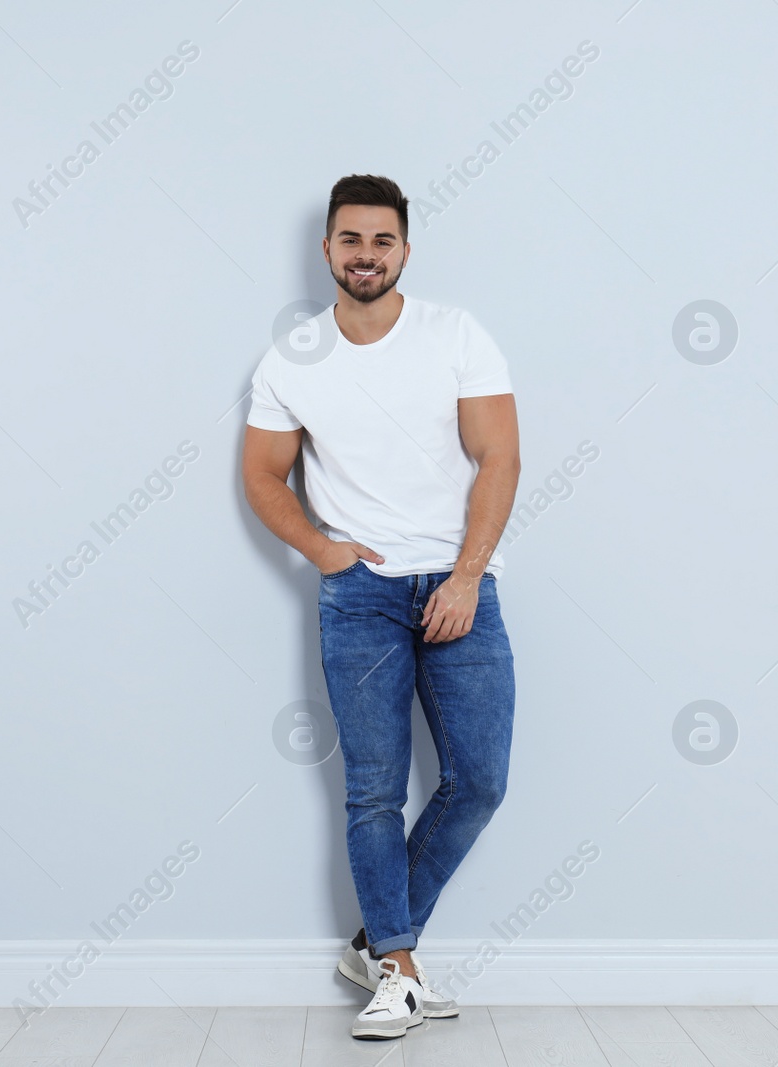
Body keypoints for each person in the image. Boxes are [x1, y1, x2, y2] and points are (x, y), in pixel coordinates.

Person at [241, 174, 521, 1040]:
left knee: (477, 781)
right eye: (351, 240)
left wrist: (468, 574)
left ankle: (375, 943)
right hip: (358, 597)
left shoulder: (456, 336)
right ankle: (397, 969)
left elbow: (499, 458)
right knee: (373, 792)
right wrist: (326, 550)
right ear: (327, 249)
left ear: (405, 248)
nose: (367, 255)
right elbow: (262, 475)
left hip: (458, 582)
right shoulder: (292, 356)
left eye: (382, 241)